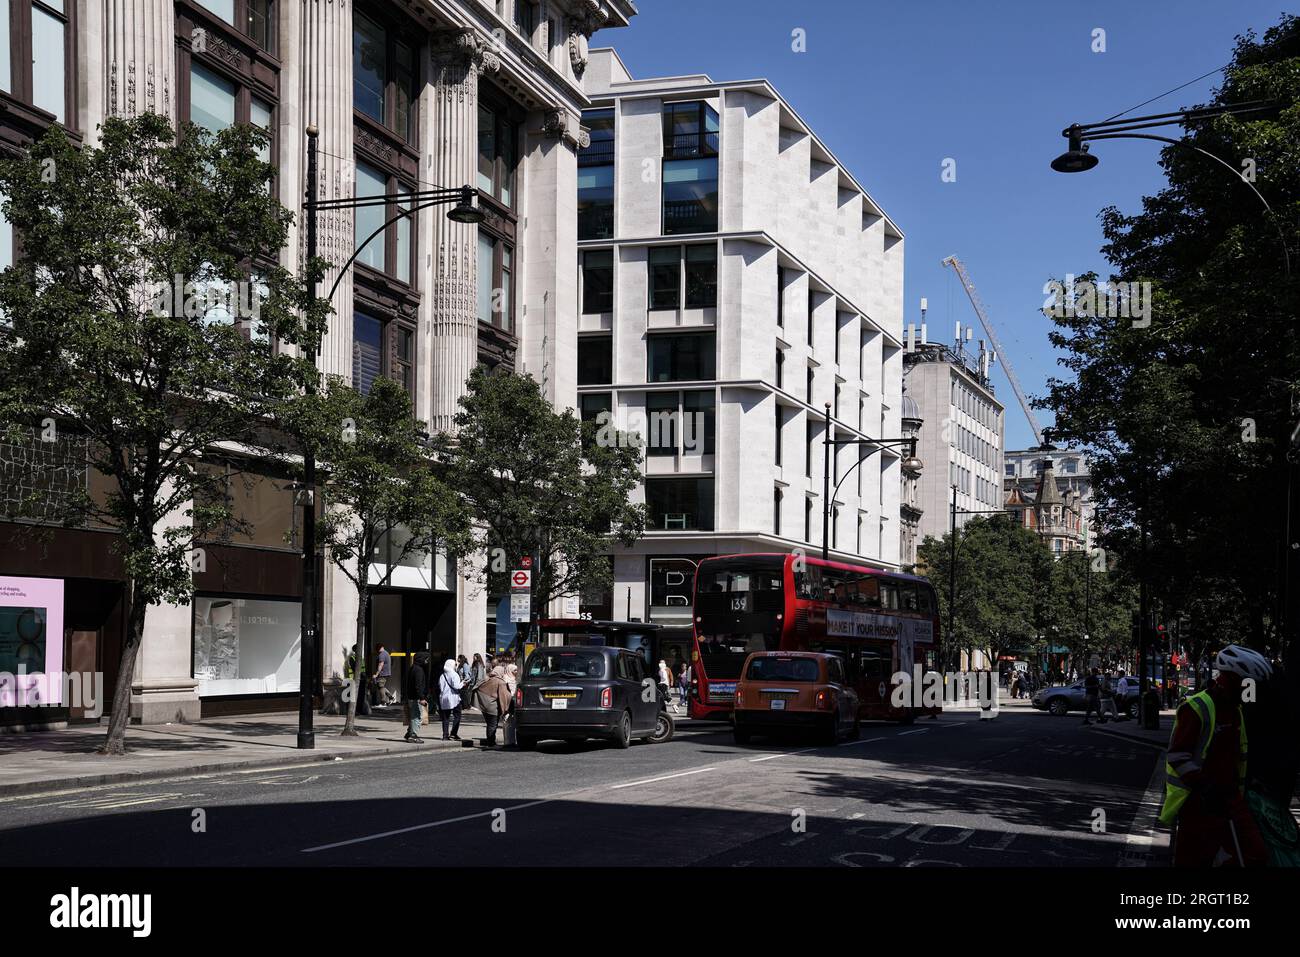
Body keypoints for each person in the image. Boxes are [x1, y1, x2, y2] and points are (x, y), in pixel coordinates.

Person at [1160, 644, 1270, 867]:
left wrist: (1251, 782)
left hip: (1230, 799)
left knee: (1255, 854)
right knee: (1193, 860)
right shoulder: (1197, 707)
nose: (1251, 691)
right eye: (1248, 684)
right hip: (1198, 803)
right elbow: (1178, 756)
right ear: (1230, 680)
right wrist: (1205, 786)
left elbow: (1236, 754)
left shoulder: (1235, 709)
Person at [474, 665, 512, 747]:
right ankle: (491, 743)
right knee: (492, 725)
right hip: (492, 707)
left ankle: (490, 741)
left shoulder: (487, 678)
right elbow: (503, 697)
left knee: (489, 724)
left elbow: (478, 688)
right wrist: (505, 710)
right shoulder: (500, 682)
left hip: (484, 706)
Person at [404, 653, 429, 743]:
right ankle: (413, 735)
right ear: (421, 659)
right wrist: (421, 698)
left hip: (411, 696)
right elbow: (418, 685)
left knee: (413, 716)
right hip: (415, 697)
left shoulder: (413, 668)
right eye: (426, 659)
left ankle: (409, 733)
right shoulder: (418, 670)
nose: (427, 661)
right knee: (417, 716)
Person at [438, 658, 463, 741]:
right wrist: (463, 683)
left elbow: (440, 687)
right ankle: (453, 733)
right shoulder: (454, 675)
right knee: (457, 715)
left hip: (444, 698)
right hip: (454, 698)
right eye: (455, 664)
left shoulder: (442, 675)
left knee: (445, 717)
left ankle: (445, 735)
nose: (456, 666)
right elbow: (457, 686)